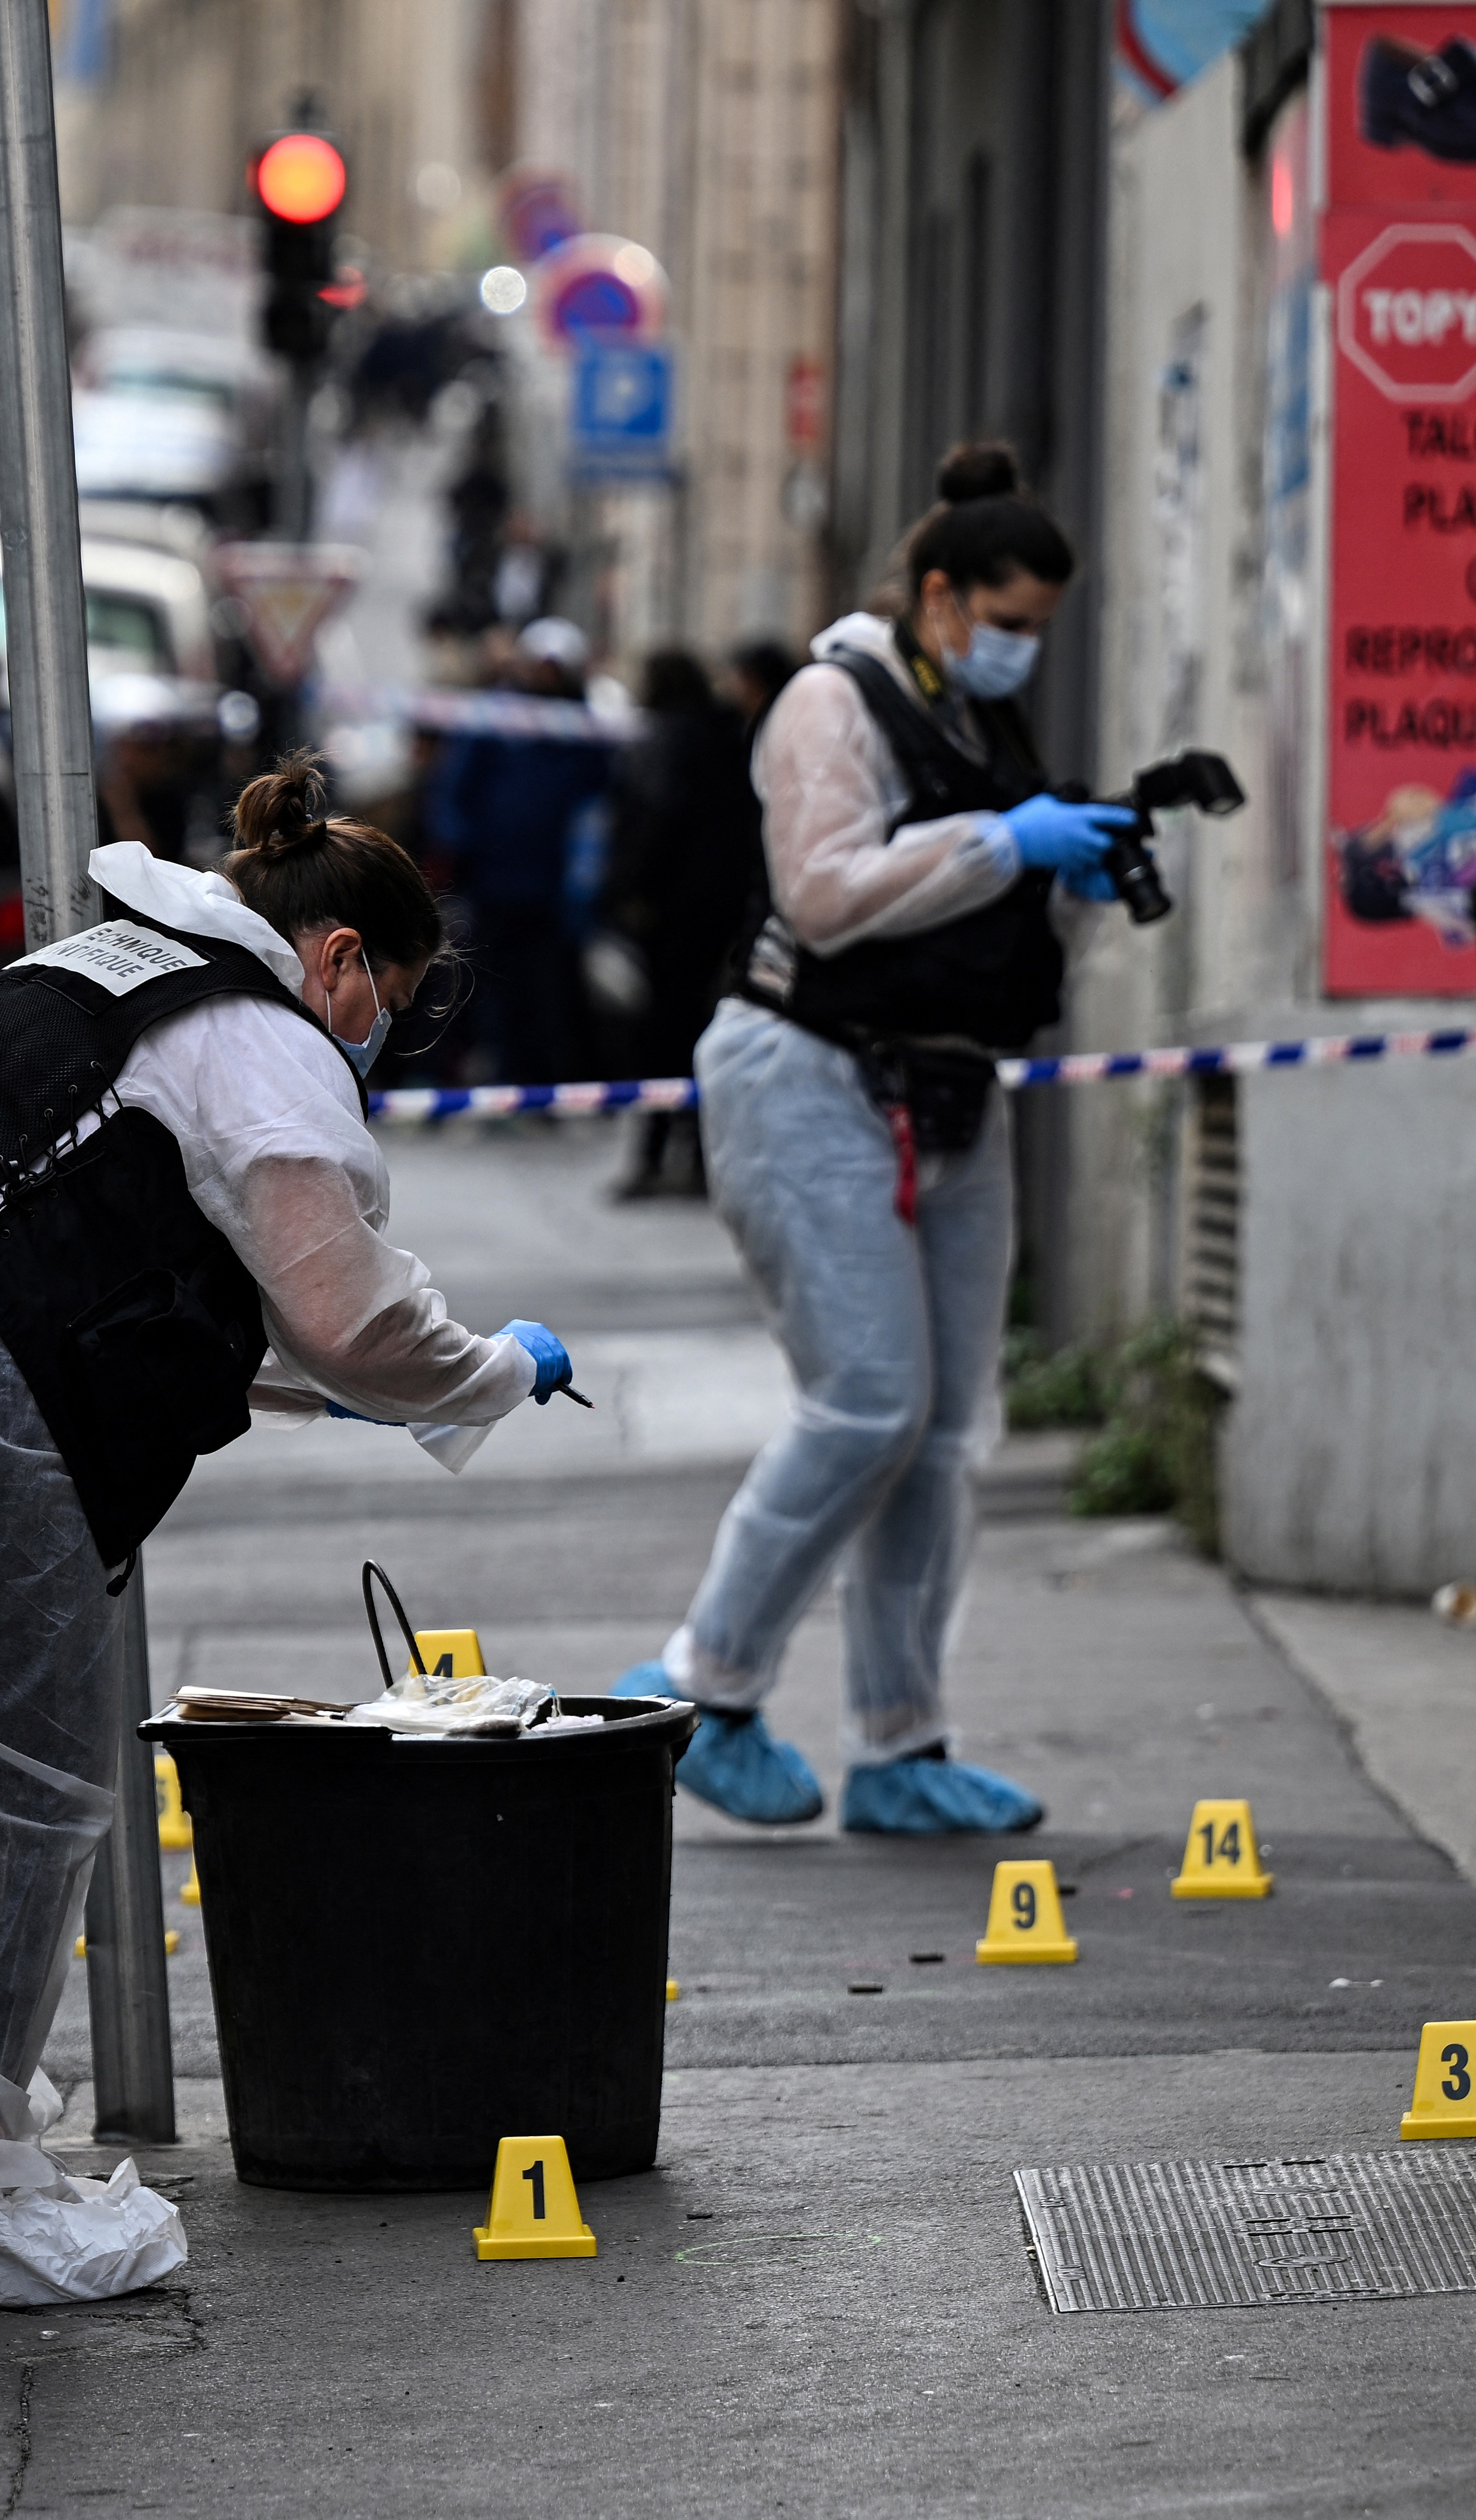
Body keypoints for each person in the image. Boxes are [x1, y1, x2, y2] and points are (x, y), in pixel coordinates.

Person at [0, 755, 575, 2299]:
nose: (372, 1038)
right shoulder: (268, 1039)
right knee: (10, 1809)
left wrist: (382, 1391)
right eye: (388, 1001)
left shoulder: (109, 966)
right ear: (342, 956)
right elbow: (347, 1312)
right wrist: (491, 1365)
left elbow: (165, 1276)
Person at [613, 444, 1141, 1834]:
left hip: (950, 1089)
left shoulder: (980, 734)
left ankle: (901, 1742)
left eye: (1041, 629)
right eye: (1008, 622)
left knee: (950, 1427)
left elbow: (993, 931)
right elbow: (829, 894)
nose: (1023, 650)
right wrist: (1008, 845)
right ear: (938, 595)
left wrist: (1080, 871)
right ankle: (699, 1689)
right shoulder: (825, 703)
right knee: (867, 1404)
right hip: (806, 1073)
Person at [599, 647, 768, 1199]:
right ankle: (699, 1157)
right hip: (723, 909)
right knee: (701, 1026)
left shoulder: (663, 742)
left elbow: (653, 817)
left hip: (669, 912)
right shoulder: (732, 737)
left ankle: (652, 1155)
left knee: (661, 1034)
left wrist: (630, 892)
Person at [427, 617, 614, 1085]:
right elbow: (454, 789)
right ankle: (505, 1076)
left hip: (555, 889)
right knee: (495, 986)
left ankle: (545, 1079)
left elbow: (601, 798)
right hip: (495, 882)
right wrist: (458, 848)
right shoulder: (496, 717)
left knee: (551, 988)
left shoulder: (584, 728)